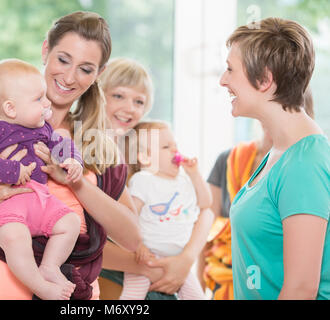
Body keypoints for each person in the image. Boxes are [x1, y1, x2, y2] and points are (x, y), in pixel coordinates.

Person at [0, 11, 141, 300]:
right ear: (45, 51)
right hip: (8, 286)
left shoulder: (97, 144)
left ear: (99, 73)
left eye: (85, 69)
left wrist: (76, 182)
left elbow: (132, 239)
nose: (69, 76)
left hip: (77, 292)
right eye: (63, 59)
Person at [220, 17, 329, 300]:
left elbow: (301, 290)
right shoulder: (281, 152)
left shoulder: (304, 164)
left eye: (231, 70)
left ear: (265, 80)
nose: (223, 80)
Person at [0, 58, 86, 300]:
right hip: (7, 205)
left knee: (70, 223)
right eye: (39, 99)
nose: (47, 103)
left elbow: (63, 145)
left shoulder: (44, 129)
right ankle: (41, 288)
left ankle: (50, 266)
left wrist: (73, 160)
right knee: (15, 239)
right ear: (11, 108)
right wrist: (12, 171)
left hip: (40, 199)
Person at [96, 58, 215, 300]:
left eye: (138, 101)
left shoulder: (151, 148)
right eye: (118, 96)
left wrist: (186, 260)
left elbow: (206, 211)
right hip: (115, 274)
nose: (129, 108)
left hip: (164, 269)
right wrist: (151, 265)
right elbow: (85, 245)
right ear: (98, 95)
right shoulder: (88, 156)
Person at [201, 87, 316, 300]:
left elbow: (302, 281)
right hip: (223, 278)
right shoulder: (229, 159)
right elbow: (206, 222)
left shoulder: (302, 168)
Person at [119, 121, 210, 300]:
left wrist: (194, 174)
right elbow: (129, 218)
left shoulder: (184, 181)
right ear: (145, 158)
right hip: (148, 256)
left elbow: (206, 202)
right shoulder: (143, 180)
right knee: (132, 297)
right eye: (166, 147)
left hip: (179, 259)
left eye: (176, 145)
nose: (175, 151)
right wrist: (138, 246)